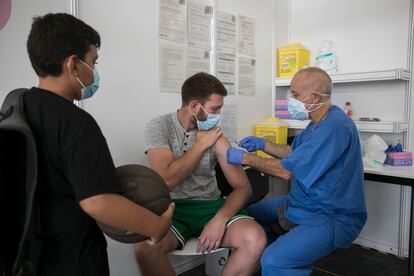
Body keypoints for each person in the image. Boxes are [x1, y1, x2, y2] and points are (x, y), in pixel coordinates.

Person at [24, 13, 174, 276]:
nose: (93, 71)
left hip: (30, 256)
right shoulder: (75, 122)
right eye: (93, 61)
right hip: (73, 259)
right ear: (73, 64)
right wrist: (156, 227)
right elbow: (98, 202)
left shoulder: (17, 106)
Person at [227, 67, 367, 276]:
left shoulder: (335, 126)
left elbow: (286, 171)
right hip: (302, 203)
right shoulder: (315, 124)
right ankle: (272, 248)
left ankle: (285, 261)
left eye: (295, 95)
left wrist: (245, 158)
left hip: (332, 215)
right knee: (249, 215)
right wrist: (263, 144)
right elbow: (292, 151)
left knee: (274, 261)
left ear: (314, 96)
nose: (291, 101)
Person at [134, 72, 267, 276]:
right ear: (195, 106)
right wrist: (201, 144)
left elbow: (243, 188)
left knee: (255, 239)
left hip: (211, 206)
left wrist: (220, 219)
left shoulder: (216, 133)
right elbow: (166, 181)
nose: (218, 115)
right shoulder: (159, 127)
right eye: (215, 109)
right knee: (145, 249)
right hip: (173, 209)